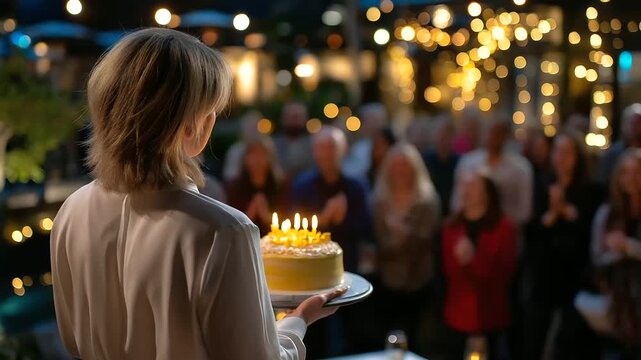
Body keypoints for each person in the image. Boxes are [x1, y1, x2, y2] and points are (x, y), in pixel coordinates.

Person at [50, 28, 344, 360]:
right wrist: (296, 323)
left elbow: (73, 339)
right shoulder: (224, 231)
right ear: (192, 126)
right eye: (211, 111)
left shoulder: (70, 213)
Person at [290, 125, 372, 357]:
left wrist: (344, 218)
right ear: (315, 152)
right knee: (315, 338)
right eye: (322, 148)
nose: (327, 153)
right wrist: (325, 219)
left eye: (332, 148)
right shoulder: (303, 186)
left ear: (343, 151)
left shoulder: (355, 186)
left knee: (351, 335)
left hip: (349, 274)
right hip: (311, 278)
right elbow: (295, 231)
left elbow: (366, 228)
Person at [524, 131, 600, 360]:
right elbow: (532, 229)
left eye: (567, 152)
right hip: (545, 275)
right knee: (535, 337)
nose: (561, 157)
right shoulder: (541, 183)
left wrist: (568, 213)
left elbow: (590, 234)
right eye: (557, 151)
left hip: (575, 277)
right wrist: (552, 215)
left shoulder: (590, 190)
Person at [442, 170, 518, 360]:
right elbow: (446, 270)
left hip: (490, 316)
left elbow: (506, 273)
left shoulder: (505, 228)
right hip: (458, 316)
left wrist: (474, 260)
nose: (467, 190)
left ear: (487, 192)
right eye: (464, 185)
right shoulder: (451, 227)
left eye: (473, 186)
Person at [372, 142, 441, 350]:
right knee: (388, 335)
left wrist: (402, 232)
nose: (400, 172)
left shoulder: (427, 200)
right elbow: (379, 241)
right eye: (396, 166)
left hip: (417, 279)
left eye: (405, 166)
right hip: (388, 279)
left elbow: (425, 240)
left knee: (415, 338)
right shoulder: (380, 200)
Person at [576, 149, 641, 355]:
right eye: (625, 172)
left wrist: (628, 247)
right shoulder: (606, 214)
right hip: (618, 303)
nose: (631, 178)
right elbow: (597, 257)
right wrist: (616, 251)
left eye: (637, 172)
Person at [451, 117, 533, 225]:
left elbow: (524, 210)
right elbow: (457, 203)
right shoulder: (468, 163)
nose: (493, 137)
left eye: (498, 133)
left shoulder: (521, 168)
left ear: (506, 136)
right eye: (490, 132)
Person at [226, 136, 287, 235]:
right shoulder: (235, 187)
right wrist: (250, 213)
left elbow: (288, 220)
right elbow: (231, 225)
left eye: (262, 154)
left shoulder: (281, 185)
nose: (257, 159)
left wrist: (267, 216)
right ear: (245, 158)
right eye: (253, 154)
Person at [597, 103, 641, 187]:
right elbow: (603, 180)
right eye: (632, 122)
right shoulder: (613, 154)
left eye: (638, 122)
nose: (635, 127)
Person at [424, 115, 459, 216]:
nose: (443, 139)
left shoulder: (460, 163)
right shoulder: (425, 161)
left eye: (447, 135)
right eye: (440, 134)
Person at [342, 102, 387, 180]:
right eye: (371, 121)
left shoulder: (391, 148)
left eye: (377, 121)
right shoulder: (358, 148)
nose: (374, 126)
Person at [274, 101, 314, 178]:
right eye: (291, 117)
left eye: (297, 117)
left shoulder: (315, 144)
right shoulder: (273, 145)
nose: (294, 121)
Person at [222, 110, 261, 182]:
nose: (251, 130)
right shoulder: (235, 150)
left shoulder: (266, 149)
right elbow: (229, 175)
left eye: (254, 126)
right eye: (249, 127)